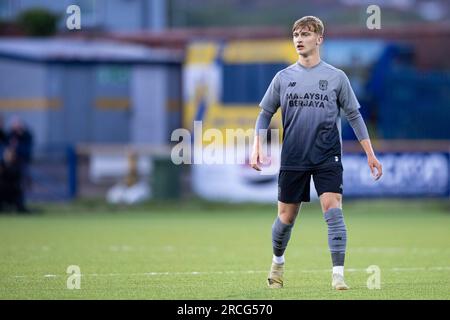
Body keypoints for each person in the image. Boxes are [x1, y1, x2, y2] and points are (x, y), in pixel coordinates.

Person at [250, 16, 382, 290]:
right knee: (286, 218)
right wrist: (257, 145)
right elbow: (264, 114)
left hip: (327, 155)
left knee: (333, 209)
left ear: (319, 39)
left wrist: (370, 153)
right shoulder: (283, 77)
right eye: (296, 34)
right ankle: (277, 262)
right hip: (294, 156)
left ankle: (338, 274)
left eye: (306, 34)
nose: (299, 39)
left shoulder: (336, 77)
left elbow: (354, 116)